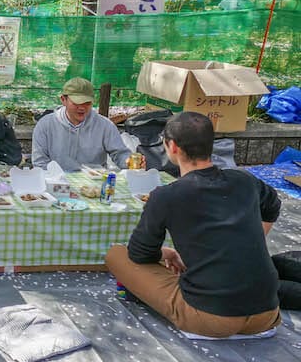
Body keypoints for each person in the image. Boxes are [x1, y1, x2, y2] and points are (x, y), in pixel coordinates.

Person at [105, 112, 281, 338]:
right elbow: (273, 206)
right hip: (267, 315)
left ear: (172, 147)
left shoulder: (166, 196)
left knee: (117, 254)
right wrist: (252, 240)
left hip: (211, 318)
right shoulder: (245, 180)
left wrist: (166, 253)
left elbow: (139, 254)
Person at [31, 77, 130, 172]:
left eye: (87, 103)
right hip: (55, 180)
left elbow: (120, 154)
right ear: (63, 100)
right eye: (76, 103)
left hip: (95, 181)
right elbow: (40, 163)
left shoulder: (105, 126)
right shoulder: (45, 125)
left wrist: (129, 162)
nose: (82, 107)